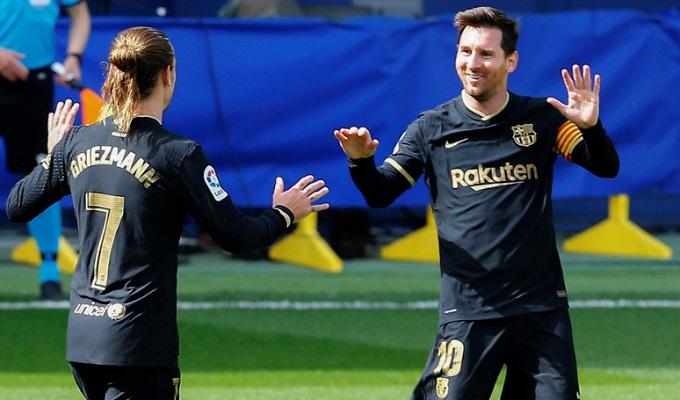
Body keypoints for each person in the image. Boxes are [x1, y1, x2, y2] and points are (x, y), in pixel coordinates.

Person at [6, 26, 330, 399]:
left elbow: (17, 206)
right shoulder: (177, 153)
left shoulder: (77, 142)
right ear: (167, 74)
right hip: (137, 343)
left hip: (82, 339)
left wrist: (52, 156)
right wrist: (284, 213)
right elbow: (238, 236)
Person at [333, 6, 619, 400]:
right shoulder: (430, 128)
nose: (473, 63)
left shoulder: (541, 120)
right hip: (469, 311)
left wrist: (591, 128)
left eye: (486, 53)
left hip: (540, 310)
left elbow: (605, 167)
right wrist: (361, 161)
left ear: (510, 61)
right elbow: (380, 194)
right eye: (465, 51)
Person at [0, 0, 91, 300]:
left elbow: (80, 14)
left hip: (34, 85)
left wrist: (73, 57)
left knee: (40, 172)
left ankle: (49, 272)